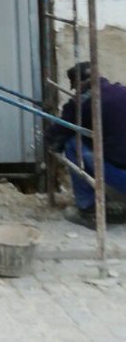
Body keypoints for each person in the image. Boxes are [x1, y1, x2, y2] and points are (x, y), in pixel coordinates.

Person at [48, 62, 126, 228]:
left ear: (76, 84)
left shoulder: (80, 104)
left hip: (122, 178)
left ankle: (88, 210)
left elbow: (56, 136)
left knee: (72, 143)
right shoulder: (122, 90)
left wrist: (48, 143)